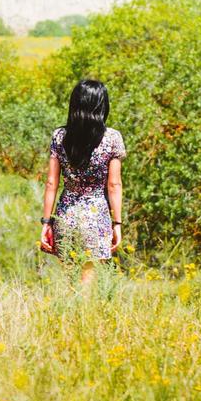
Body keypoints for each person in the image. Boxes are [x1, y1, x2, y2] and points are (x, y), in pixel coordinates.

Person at [38, 79, 125, 284]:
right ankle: (82, 316)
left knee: (71, 281)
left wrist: (46, 222)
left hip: (65, 216)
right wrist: (118, 223)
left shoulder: (59, 136)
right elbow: (114, 185)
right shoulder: (112, 138)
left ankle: (71, 315)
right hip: (96, 217)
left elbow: (52, 183)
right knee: (87, 281)